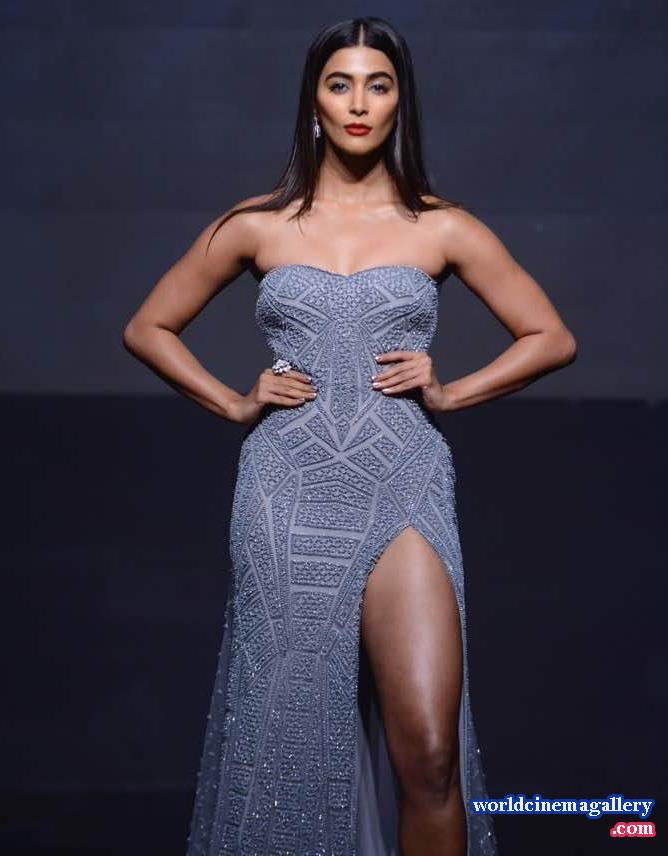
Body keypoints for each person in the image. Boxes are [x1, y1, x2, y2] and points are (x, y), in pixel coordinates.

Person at [122, 16, 576, 856]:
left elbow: (551, 336)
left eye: (378, 84)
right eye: (340, 84)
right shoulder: (257, 224)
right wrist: (233, 403)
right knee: (285, 746)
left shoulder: (440, 226)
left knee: (430, 754)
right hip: (286, 488)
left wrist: (451, 390)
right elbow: (147, 326)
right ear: (315, 101)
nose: (359, 103)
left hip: (402, 479)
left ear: (401, 102)